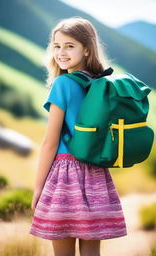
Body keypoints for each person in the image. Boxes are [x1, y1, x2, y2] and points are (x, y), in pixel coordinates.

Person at [29, 17, 127, 256]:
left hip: (65, 176)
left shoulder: (62, 84)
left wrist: (38, 187)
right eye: (56, 45)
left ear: (86, 48)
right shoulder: (100, 82)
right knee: (92, 251)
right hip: (95, 174)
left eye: (69, 45)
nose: (61, 52)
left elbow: (50, 142)